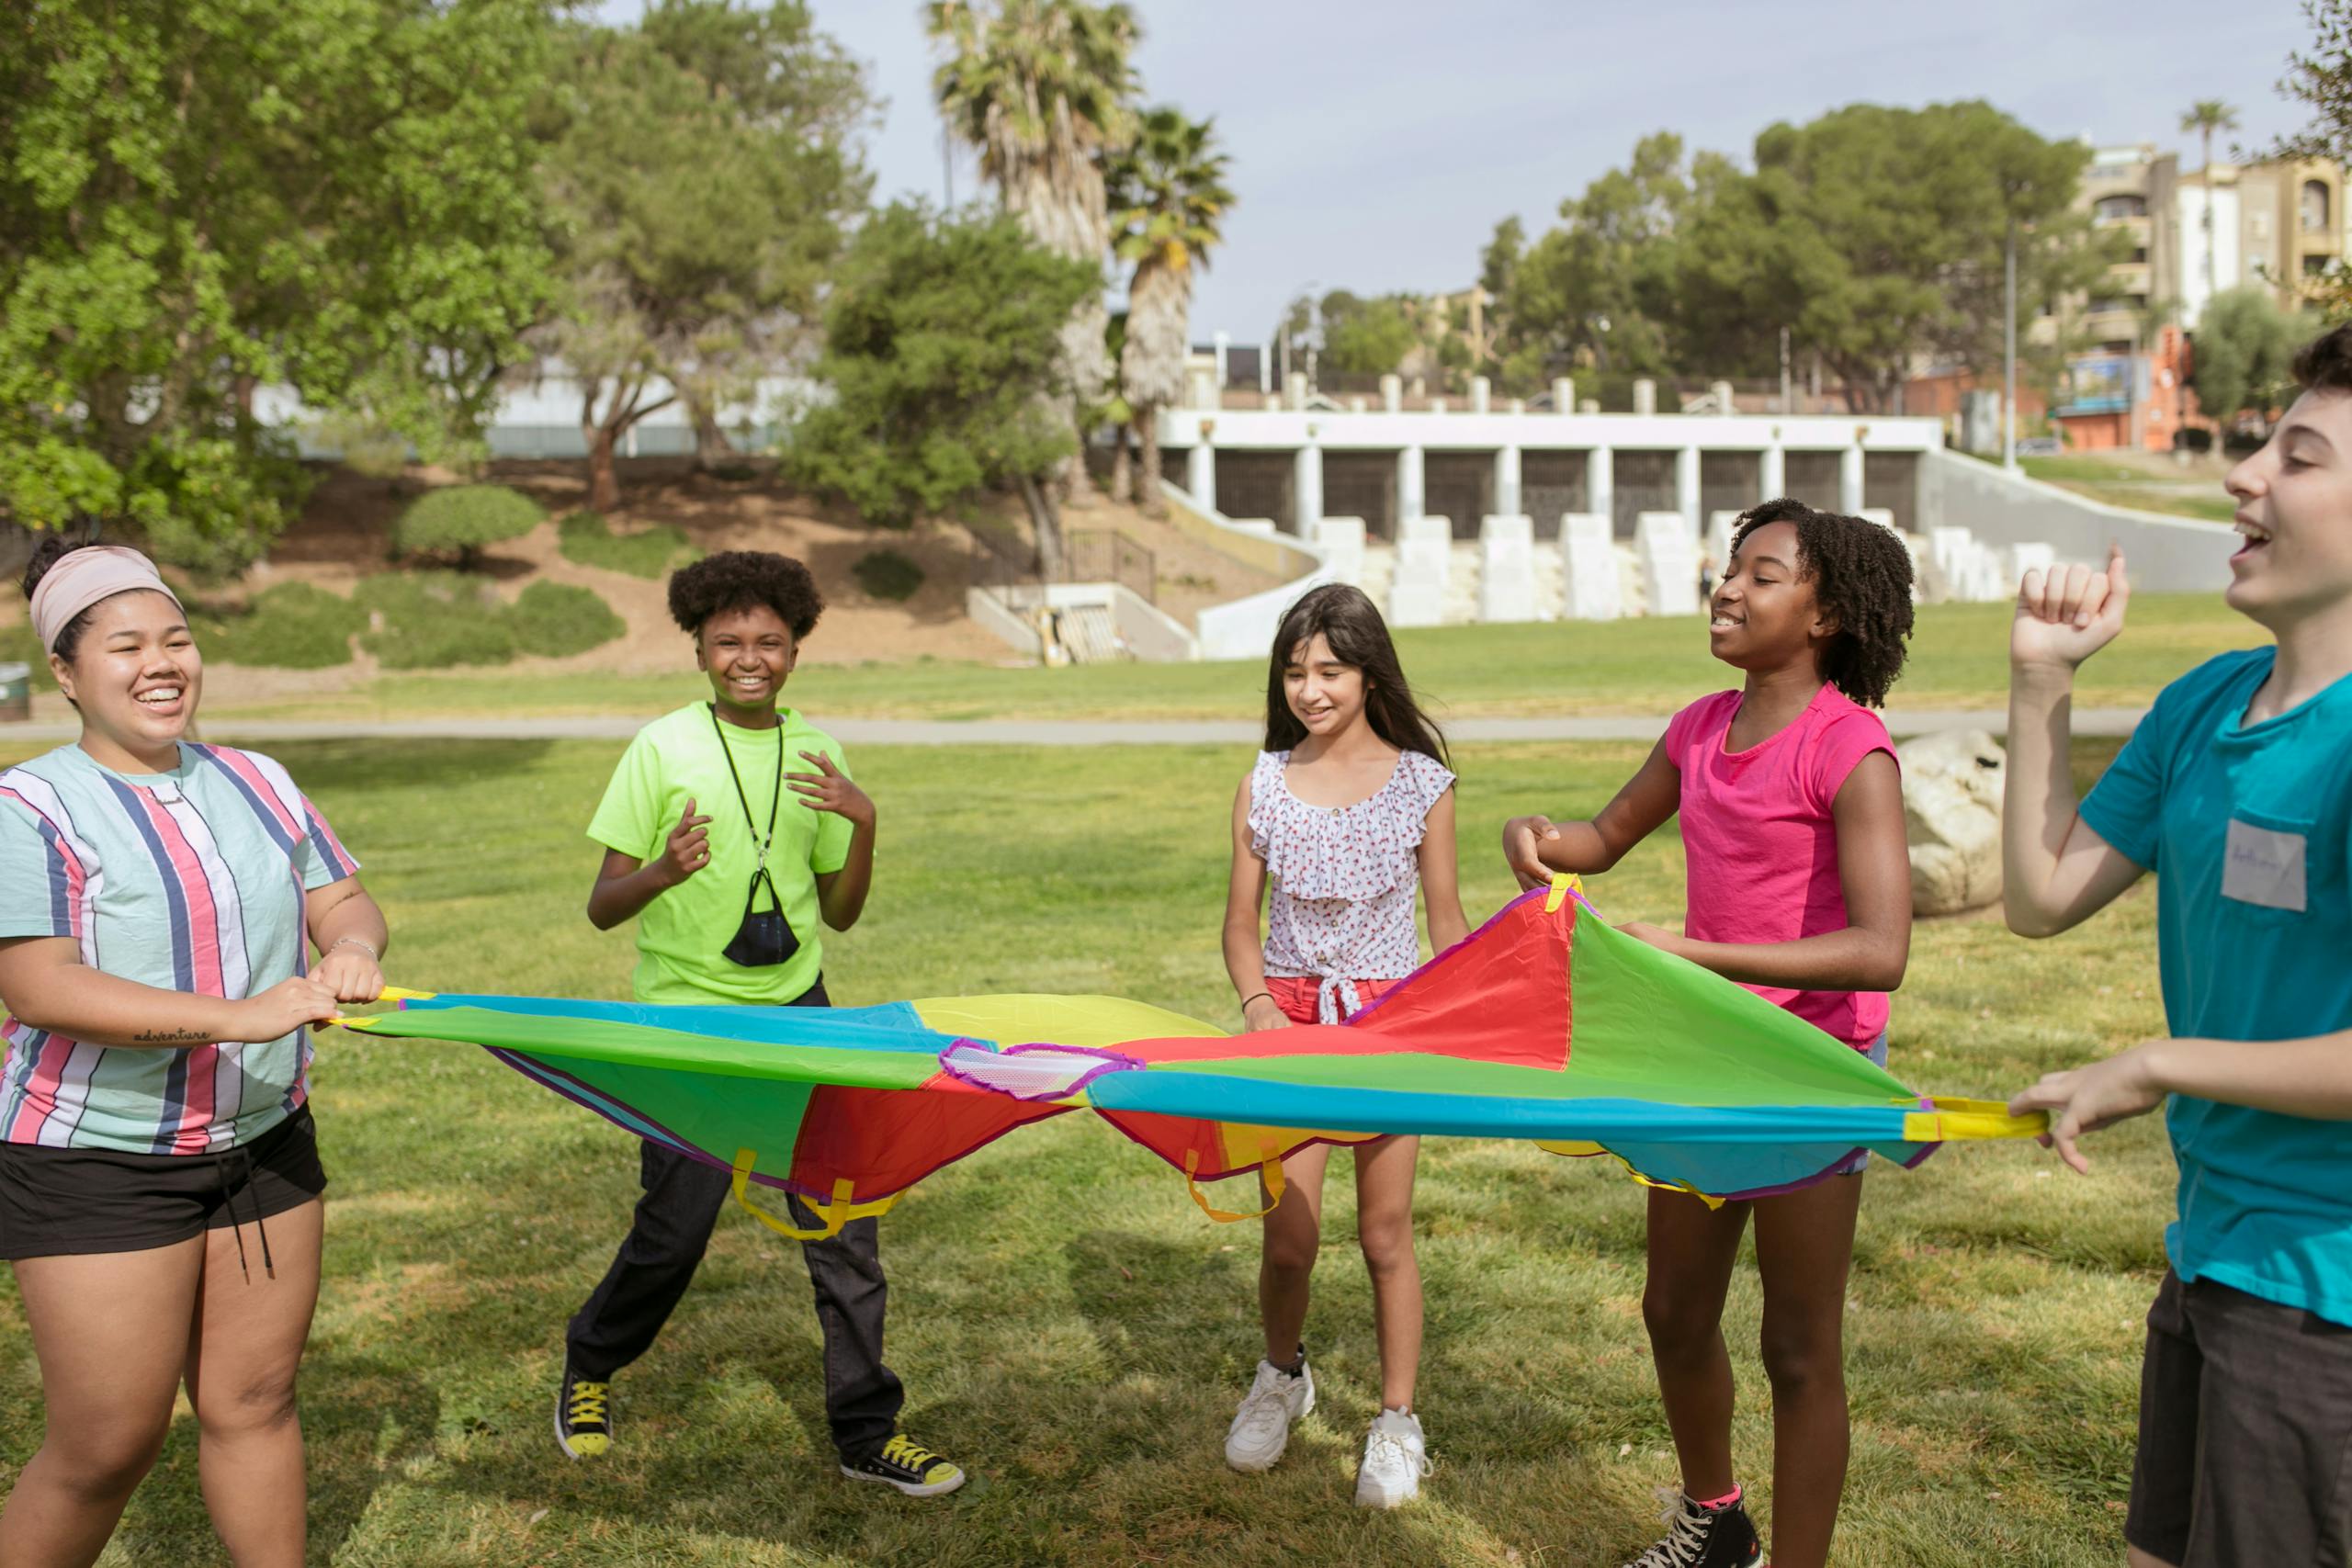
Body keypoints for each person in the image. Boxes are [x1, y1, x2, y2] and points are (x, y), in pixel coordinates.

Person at [1502, 499, 1915, 1568]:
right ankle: (1713, 1517)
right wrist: (1540, 838)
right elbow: (1602, 837)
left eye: (1764, 575)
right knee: (1674, 1311)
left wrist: (1697, 955)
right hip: (1698, 1063)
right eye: (1730, 570)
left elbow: (1878, 950)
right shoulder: (1697, 728)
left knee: (1795, 1347)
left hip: (1801, 1072)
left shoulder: (1850, 748)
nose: (1729, 589)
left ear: (1825, 616)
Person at [2003, 325, 2352, 1567]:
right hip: (2213, 1254)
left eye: (2297, 456)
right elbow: (2041, 895)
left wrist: (2156, 1064)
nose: (2242, 475)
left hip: (2326, 1292)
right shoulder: (2204, 701)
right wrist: (2042, 681)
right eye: (2261, 442)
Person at [0, 538, 387, 1568]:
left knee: (254, 1401)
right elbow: (39, 985)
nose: (160, 662)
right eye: (125, 646)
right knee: (106, 1446)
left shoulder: (258, 779)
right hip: (100, 1162)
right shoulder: (29, 807)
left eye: (176, 637)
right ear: (68, 673)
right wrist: (237, 1016)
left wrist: (349, 946)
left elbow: (342, 899)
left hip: (263, 1144)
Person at [552, 550, 964, 1497]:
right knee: (675, 1230)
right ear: (697, 646)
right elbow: (603, 905)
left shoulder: (818, 751)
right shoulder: (661, 748)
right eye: (728, 640)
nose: (749, 657)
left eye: (769, 641)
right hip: (688, 1027)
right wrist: (665, 870)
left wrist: (864, 822)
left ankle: (868, 1430)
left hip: (801, 1017)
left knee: (843, 1224)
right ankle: (591, 1365)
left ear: (796, 648)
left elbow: (845, 911)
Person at [1218, 582, 1468, 1508]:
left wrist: (1479, 1005)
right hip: (1285, 1030)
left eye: (1328, 669)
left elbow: (1447, 924)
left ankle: (1397, 1420)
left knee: (1384, 1234)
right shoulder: (1262, 782)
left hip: (1390, 1028)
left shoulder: (1422, 784)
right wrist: (1256, 1007)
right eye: (1293, 671)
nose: (1309, 689)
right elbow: (1239, 924)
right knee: (1289, 1240)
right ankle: (1281, 1376)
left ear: (1369, 673)